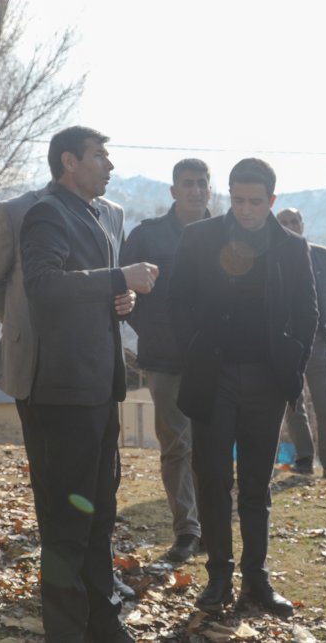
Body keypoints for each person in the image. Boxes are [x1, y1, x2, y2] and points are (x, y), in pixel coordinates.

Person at [19, 125, 158, 643]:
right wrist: (120, 278)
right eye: (101, 156)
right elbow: (43, 286)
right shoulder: (47, 212)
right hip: (63, 395)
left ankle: (102, 623)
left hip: (100, 391)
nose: (111, 165)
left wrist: (119, 298)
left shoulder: (97, 216)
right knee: (66, 523)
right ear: (69, 161)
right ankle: (65, 630)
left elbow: (88, 290)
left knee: (99, 515)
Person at [170, 158, 317, 618]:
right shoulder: (199, 238)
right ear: (228, 195)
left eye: (256, 201)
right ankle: (218, 574)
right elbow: (178, 302)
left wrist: (288, 362)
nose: (247, 209)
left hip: (267, 380)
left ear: (271, 200)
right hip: (212, 377)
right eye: (238, 199)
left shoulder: (293, 248)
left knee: (256, 483)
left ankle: (257, 577)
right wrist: (194, 348)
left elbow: (308, 314)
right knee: (212, 478)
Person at [119, 158, 211, 564]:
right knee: (176, 444)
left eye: (201, 183)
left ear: (210, 189)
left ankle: (212, 525)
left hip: (215, 361)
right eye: (187, 184)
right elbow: (124, 291)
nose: (195, 190)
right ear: (173, 191)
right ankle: (187, 529)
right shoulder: (148, 236)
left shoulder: (225, 235)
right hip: (165, 359)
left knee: (211, 446)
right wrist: (152, 331)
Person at [275, 207, 326, 481]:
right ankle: (304, 459)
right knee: (293, 402)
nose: (291, 225)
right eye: (284, 222)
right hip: (286, 341)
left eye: (295, 220)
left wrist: (325, 328)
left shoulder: (324, 256)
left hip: (318, 341)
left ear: (302, 223)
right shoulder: (273, 255)